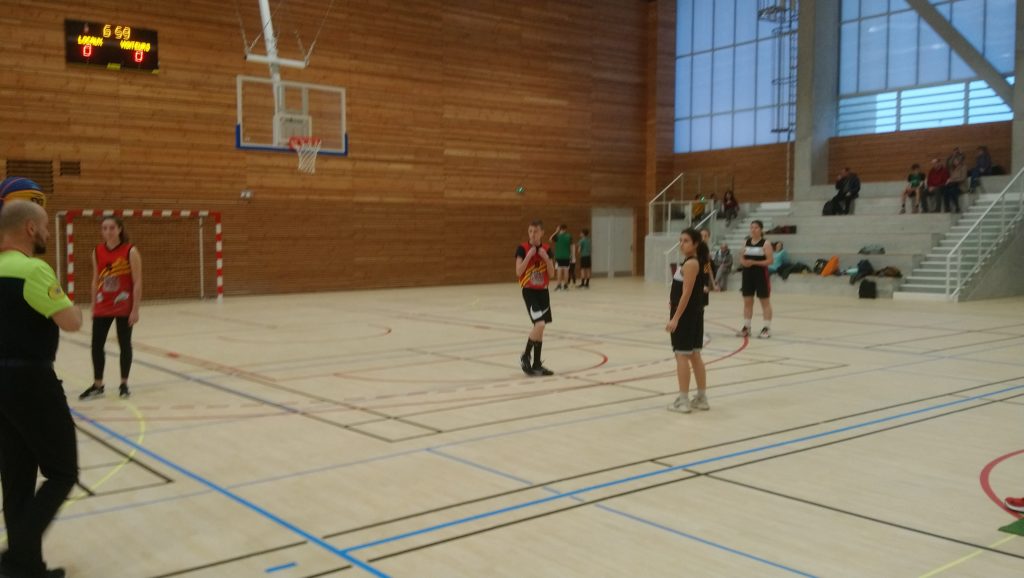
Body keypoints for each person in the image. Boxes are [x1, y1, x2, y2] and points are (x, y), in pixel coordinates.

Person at [0, 200, 83, 578]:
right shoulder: (33, 270)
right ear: (30, 229)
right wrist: (74, 307)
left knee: (16, 476)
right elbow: (71, 322)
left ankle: (24, 567)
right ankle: (19, 553)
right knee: (63, 471)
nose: (48, 232)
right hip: (31, 382)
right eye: (46, 226)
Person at [78, 217, 142, 400]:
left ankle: (124, 384)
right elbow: (95, 279)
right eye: (104, 228)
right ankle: (98, 385)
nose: (108, 231)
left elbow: (137, 281)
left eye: (112, 228)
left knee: (124, 344)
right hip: (103, 304)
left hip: (123, 304)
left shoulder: (130, 250)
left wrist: (135, 309)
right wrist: (93, 304)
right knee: (96, 345)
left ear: (120, 229)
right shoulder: (97, 251)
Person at [666, 229, 709, 414]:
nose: (682, 244)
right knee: (694, 355)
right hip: (694, 313)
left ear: (695, 244)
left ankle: (683, 400)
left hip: (685, 316)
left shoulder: (691, 263)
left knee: (682, 355)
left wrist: (675, 318)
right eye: (680, 240)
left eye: (686, 241)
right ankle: (701, 398)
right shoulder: (692, 261)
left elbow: (687, 293)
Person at [516, 220, 555, 376]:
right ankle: (526, 355)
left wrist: (546, 258)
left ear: (542, 233)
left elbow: (552, 273)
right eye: (530, 231)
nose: (532, 234)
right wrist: (529, 256)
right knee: (539, 324)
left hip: (543, 292)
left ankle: (537, 364)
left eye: (536, 231)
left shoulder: (547, 249)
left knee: (541, 328)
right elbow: (518, 272)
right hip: (529, 291)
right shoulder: (522, 249)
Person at [736, 220, 774, 339]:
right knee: (747, 301)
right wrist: (744, 262)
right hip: (747, 275)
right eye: (751, 227)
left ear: (761, 229)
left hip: (761, 274)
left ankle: (766, 328)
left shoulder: (765, 243)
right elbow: (741, 257)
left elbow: (770, 261)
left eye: (756, 227)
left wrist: (754, 262)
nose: (753, 230)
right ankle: (747, 327)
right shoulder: (746, 242)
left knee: (764, 301)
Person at [548, 224, 572, 291]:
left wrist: (556, 231)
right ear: (565, 229)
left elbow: (550, 239)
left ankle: (559, 285)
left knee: (559, 271)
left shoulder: (557, 236)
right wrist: (571, 255)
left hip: (559, 257)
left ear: (559, 229)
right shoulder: (569, 236)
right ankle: (566, 286)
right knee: (566, 271)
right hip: (567, 256)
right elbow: (571, 246)